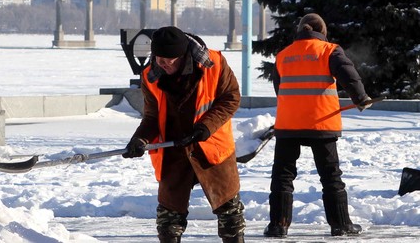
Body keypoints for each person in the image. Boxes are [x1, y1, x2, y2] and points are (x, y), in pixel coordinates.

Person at [122, 26, 245, 243]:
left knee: (230, 216)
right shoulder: (150, 76)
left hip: (211, 148)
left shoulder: (214, 64)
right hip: (172, 151)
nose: (164, 63)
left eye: (170, 58)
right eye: (159, 58)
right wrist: (139, 139)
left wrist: (205, 127)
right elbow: (151, 117)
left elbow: (231, 98)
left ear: (184, 54)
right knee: (168, 222)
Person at [264, 13, 372, 238]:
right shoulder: (329, 50)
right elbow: (348, 74)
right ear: (322, 31)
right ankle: (341, 224)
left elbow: (279, 89)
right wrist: (360, 98)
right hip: (321, 122)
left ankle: (278, 225)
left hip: (288, 124)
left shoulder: (283, 55)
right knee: (330, 175)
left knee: (283, 175)